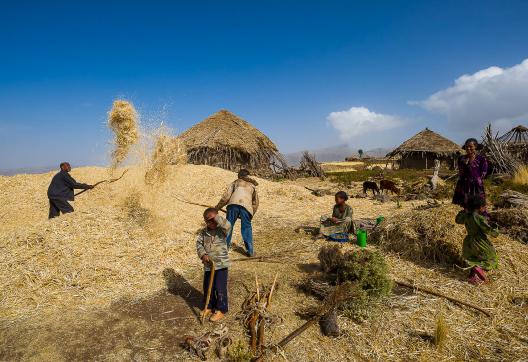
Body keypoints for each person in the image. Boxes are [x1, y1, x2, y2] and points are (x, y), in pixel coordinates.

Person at [196, 207, 232, 322]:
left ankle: (221, 309)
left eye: (214, 220)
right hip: (209, 266)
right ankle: (209, 306)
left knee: (219, 287)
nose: (212, 223)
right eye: (209, 221)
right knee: (208, 287)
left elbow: (228, 225)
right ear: (205, 221)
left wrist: (216, 217)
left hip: (221, 265)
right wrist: (203, 255)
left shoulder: (222, 230)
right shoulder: (203, 233)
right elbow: (199, 245)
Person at [455, 195, 499, 285]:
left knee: (473, 258)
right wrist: (495, 228)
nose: (485, 208)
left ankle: (472, 277)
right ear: (479, 207)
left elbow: (457, 220)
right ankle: (479, 268)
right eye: (484, 206)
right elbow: (489, 231)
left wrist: (464, 211)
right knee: (491, 259)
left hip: (468, 242)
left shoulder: (467, 216)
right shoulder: (479, 218)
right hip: (480, 241)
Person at [216, 169, 259, 257]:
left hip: (233, 205)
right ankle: (250, 251)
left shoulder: (235, 183)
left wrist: (217, 208)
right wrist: (251, 214)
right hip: (246, 207)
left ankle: (224, 249)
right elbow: (255, 203)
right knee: (246, 228)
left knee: (228, 226)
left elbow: (226, 197)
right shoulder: (252, 186)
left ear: (239, 176)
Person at [452, 138, 489, 213]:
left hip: (476, 185)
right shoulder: (461, 159)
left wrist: (476, 180)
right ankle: (468, 221)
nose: (468, 148)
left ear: (475, 147)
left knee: (479, 207)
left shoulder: (481, 159)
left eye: (471, 146)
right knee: (467, 207)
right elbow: (461, 172)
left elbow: (483, 173)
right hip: (464, 185)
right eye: (466, 146)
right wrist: (465, 164)